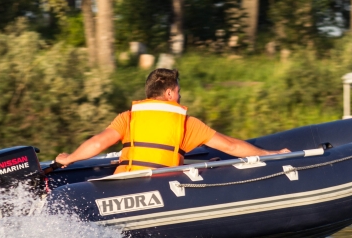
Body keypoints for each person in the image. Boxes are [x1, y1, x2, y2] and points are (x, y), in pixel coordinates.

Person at [55, 68, 289, 173]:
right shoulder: (187, 124)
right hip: (162, 190)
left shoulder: (128, 118)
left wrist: (70, 158)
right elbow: (232, 146)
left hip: (123, 186)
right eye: (177, 91)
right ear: (168, 93)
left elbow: (98, 143)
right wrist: (270, 154)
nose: (180, 96)